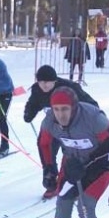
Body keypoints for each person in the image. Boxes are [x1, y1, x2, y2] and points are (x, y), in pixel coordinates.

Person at [37, 87, 109, 218]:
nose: (60, 114)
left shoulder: (93, 117)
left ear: (74, 107)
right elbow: (44, 143)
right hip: (71, 165)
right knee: (62, 205)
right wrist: (49, 169)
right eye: (56, 109)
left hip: (99, 167)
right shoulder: (50, 120)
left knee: (85, 206)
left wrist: (94, 164)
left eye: (64, 109)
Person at [24, 65, 98, 199]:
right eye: (41, 82)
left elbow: (91, 104)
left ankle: (77, 180)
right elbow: (33, 103)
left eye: (47, 82)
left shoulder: (70, 89)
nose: (44, 85)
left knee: (71, 154)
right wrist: (29, 113)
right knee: (44, 146)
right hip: (53, 126)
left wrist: (92, 120)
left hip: (74, 126)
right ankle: (50, 179)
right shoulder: (37, 90)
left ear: (54, 81)